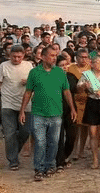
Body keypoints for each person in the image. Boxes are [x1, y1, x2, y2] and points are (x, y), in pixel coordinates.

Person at [19, 46, 77, 181]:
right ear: (43, 57)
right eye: (51, 55)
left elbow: (67, 91)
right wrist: (22, 110)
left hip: (56, 113)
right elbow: (28, 92)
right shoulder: (34, 72)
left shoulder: (60, 73)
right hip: (38, 113)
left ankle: (50, 165)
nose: (54, 58)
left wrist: (73, 108)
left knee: (54, 142)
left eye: (55, 55)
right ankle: (39, 168)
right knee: (40, 141)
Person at [0, 45, 33, 170]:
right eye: (14, 56)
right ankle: (13, 160)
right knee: (9, 133)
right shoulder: (4, 66)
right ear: (10, 55)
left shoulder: (29, 66)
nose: (16, 59)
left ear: (23, 56)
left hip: (25, 104)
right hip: (7, 103)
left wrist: (28, 82)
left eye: (19, 57)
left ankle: (14, 150)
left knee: (25, 132)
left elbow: (34, 82)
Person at [54, 55, 77, 172]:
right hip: (56, 110)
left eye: (65, 65)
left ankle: (65, 156)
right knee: (59, 137)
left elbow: (77, 90)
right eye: (61, 65)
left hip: (70, 110)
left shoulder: (72, 77)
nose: (64, 67)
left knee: (72, 136)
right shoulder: (53, 77)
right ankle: (60, 161)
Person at [69, 48, 91, 160]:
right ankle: (74, 150)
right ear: (76, 58)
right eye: (81, 57)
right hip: (74, 101)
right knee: (75, 127)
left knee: (84, 127)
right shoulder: (70, 68)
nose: (83, 59)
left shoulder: (91, 69)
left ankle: (81, 150)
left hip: (88, 101)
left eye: (86, 57)